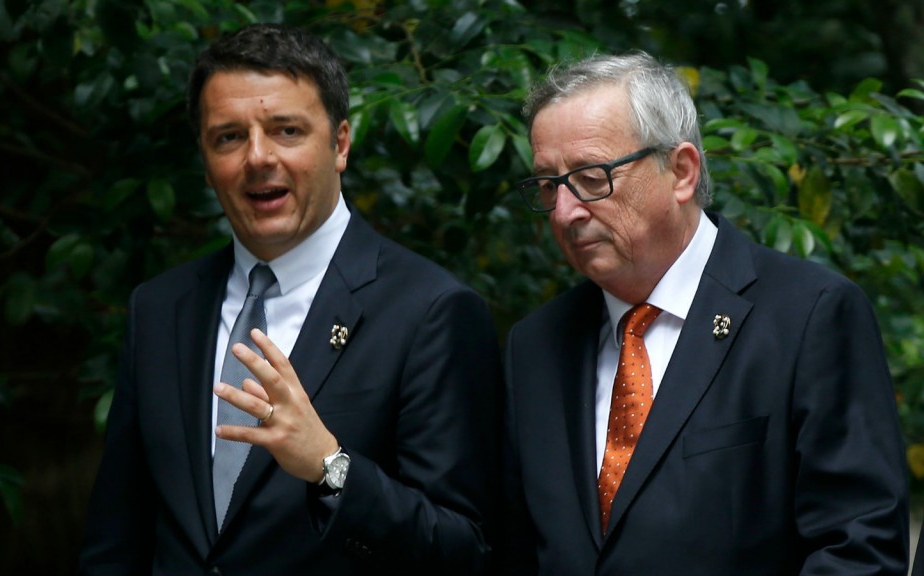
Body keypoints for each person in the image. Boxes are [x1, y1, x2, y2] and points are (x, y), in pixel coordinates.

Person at [79, 23, 500, 575]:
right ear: (205, 160)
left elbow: (466, 550)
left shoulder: (431, 311)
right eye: (229, 137)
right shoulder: (159, 309)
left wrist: (331, 467)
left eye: (287, 130)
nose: (258, 157)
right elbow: (117, 538)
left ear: (340, 144)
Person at [500, 51, 908, 574]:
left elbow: (859, 552)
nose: (565, 212)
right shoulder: (536, 345)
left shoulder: (808, 316)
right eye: (548, 184)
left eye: (593, 178)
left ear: (681, 172)